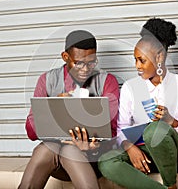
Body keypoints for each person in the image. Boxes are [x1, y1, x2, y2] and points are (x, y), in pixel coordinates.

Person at [98, 18, 178, 189]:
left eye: (142, 60)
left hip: (175, 155)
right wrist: (129, 147)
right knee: (106, 161)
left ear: (159, 56)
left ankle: (171, 184)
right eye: (135, 59)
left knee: (155, 129)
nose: (137, 66)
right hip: (143, 152)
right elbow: (121, 127)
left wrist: (171, 121)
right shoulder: (130, 87)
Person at [18, 30, 120, 189]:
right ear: (65, 57)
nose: (85, 69)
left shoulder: (107, 81)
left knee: (69, 150)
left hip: (92, 159)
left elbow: (114, 129)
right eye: (79, 63)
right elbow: (31, 131)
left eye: (91, 62)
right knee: (45, 150)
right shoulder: (47, 80)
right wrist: (53, 106)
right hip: (55, 158)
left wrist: (95, 146)